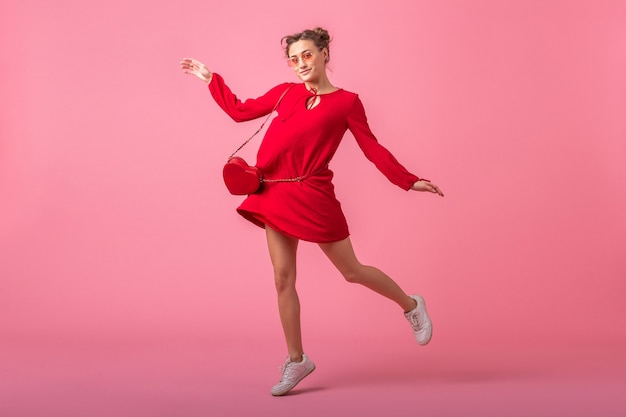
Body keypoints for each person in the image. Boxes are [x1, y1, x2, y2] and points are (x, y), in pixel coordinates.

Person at [180, 27, 444, 396]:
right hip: (272, 192)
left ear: (323, 54)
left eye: (307, 55)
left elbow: (373, 148)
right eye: (293, 58)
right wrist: (212, 80)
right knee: (282, 279)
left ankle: (411, 304)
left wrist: (407, 180)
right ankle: (297, 359)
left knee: (352, 271)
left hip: (313, 192)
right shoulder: (284, 92)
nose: (300, 63)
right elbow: (240, 111)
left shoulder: (348, 102)